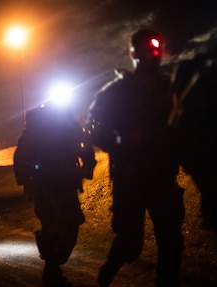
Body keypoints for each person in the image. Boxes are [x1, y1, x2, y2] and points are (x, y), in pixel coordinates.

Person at [86, 28, 185, 287]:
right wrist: (122, 139)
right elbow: (92, 130)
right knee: (130, 243)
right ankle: (110, 269)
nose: (153, 54)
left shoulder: (170, 89)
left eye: (156, 48)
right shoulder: (115, 92)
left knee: (172, 242)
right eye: (147, 49)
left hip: (163, 177)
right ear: (133, 54)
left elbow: (184, 128)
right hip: (131, 180)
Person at [13, 101, 96, 287]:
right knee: (54, 225)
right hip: (46, 185)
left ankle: (52, 265)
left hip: (64, 184)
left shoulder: (67, 127)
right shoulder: (39, 131)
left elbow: (85, 147)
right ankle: (52, 270)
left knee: (72, 222)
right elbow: (21, 157)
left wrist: (87, 168)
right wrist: (26, 182)